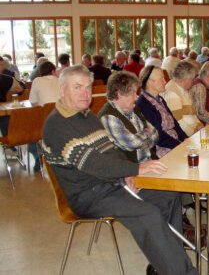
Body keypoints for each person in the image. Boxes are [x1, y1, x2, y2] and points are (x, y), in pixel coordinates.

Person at [42, 65, 198, 275]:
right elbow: (94, 163)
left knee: (167, 195)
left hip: (109, 183)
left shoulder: (86, 115)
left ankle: (165, 264)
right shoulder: (57, 125)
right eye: (77, 87)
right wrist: (135, 168)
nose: (85, 93)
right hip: (88, 193)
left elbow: (110, 150)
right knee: (148, 214)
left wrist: (126, 174)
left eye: (88, 87)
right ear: (62, 90)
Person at [98, 71, 158, 164]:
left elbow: (155, 133)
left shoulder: (134, 109)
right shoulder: (108, 117)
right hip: (133, 171)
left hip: (151, 162)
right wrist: (147, 132)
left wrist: (141, 139)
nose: (136, 97)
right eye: (133, 93)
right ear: (119, 94)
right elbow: (133, 143)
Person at [136, 66, 187, 158]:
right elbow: (158, 136)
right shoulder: (143, 104)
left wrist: (185, 139)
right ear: (150, 82)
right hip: (161, 149)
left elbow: (174, 123)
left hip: (174, 143)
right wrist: (180, 146)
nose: (165, 82)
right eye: (161, 79)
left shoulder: (160, 99)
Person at [162, 61, 202, 137]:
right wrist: (194, 133)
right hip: (184, 136)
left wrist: (199, 124)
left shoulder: (182, 89)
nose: (193, 82)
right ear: (184, 80)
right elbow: (178, 121)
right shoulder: (172, 93)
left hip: (193, 131)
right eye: (192, 79)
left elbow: (192, 113)